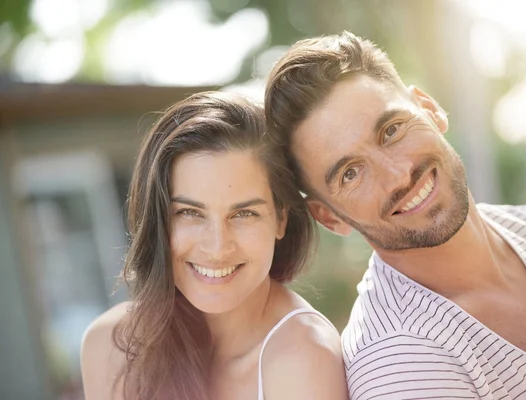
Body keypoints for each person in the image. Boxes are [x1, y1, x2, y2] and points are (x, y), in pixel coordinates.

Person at [264, 31, 526, 399]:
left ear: (429, 108)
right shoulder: (397, 365)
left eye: (391, 130)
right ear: (330, 218)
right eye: (350, 173)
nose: (398, 175)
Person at [80, 92, 349, 400]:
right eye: (190, 213)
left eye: (244, 213)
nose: (218, 247)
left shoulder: (302, 359)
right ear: (156, 220)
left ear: (280, 220)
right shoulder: (109, 346)